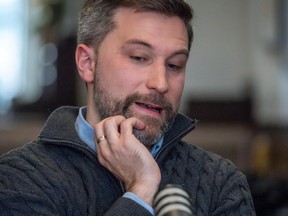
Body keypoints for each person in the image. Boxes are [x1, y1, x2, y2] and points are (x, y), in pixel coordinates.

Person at [0, 0, 256, 215]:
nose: (161, 83)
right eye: (139, 58)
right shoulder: (21, 178)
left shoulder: (221, 183)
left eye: (174, 65)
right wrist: (141, 191)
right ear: (88, 63)